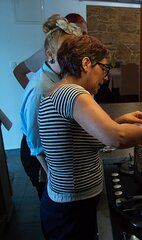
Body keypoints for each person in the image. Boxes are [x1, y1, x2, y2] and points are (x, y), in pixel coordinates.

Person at [38, 34, 142, 240]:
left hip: (69, 203)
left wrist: (121, 119)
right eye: (104, 69)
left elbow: (84, 134)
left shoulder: (60, 91)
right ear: (86, 63)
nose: (106, 77)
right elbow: (115, 138)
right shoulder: (73, 93)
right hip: (71, 209)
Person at [19, 15, 82, 199]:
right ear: (49, 55)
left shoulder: (59, 75)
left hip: (49, 149)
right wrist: (51, 175)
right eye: (65, 54)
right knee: (48, 201)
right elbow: (35, 140)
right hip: (38, 156)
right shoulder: (41, 89)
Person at [13, 13, 87, 89]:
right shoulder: (44, 54)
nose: (82, 38)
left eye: (84, 33)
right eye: (78, 32)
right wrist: (33, 93)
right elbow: (18, 71)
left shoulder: (82, 55)